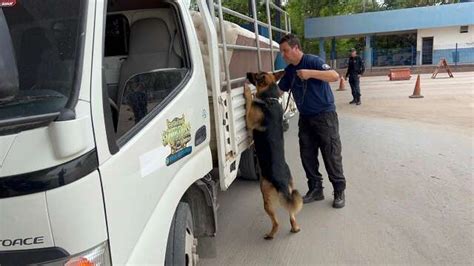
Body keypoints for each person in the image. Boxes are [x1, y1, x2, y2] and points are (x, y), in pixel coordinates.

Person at [277, 34, 346, 208]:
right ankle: (316, 189)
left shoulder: (312, 61)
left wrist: (310, 74)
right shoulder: (290, 71)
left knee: (331, 155)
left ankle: (339, 191)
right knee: (307, 155)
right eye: (281, 52)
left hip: (325, 116)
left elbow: (334, 76)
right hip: (305, 119)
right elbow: (279, 90)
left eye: (285, 51)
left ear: (296, 48)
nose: (283, 55)